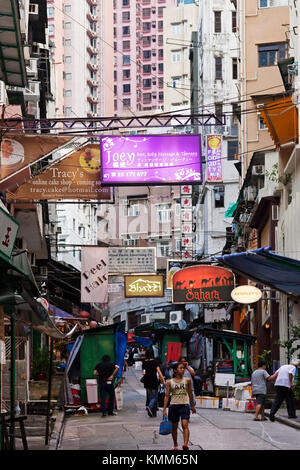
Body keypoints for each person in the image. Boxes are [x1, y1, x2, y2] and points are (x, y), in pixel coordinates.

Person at [163, 362, 196, 451]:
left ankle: (185, 444)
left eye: (183, 368)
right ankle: (175, 444)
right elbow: (167, 396)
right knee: (174, 427)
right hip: (173, 406)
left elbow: (190, 393)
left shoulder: (187, 380)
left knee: (185, 424)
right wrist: (164, 409)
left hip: (184, 405)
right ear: (175, 370)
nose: (182, 370)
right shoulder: (170, 382)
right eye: (180, 368)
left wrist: (192, 406)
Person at [142, 349, 165, 417]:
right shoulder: (155, 362)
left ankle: (152, 412)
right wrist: (163, 380)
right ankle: (150, 406)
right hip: (153, 380)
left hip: (146, 381)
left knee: (150, 397)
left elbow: (143, 372)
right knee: (155, 397)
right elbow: (159, 372)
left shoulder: (144, 362)